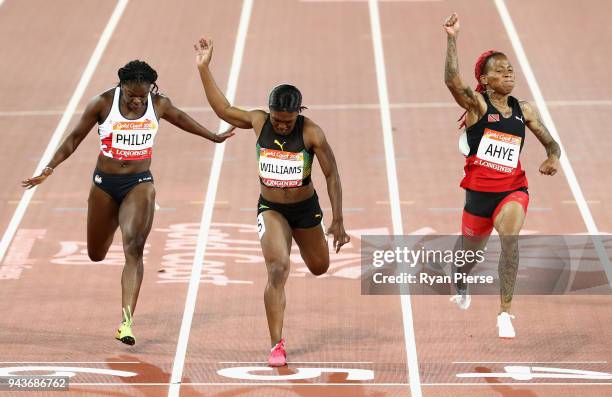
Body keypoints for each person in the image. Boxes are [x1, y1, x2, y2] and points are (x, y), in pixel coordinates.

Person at [22, 60, 234, 345]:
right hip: (104, 185)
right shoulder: (102, 104)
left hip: (139, 184)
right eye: (131, 95)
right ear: (120, 86)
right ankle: (109, 255)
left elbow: (182, 119)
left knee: (134, 246)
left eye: (142, 96)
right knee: (96, 254)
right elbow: (74, 139)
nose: (136, 101)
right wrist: (48, 169)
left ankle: (126, 322)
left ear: (151, 90)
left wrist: (213, 137)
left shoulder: (159, 105)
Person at [194, 37, 350, 366]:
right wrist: (204, 69)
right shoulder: (258, 121)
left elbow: (332, 174)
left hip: (305, 209)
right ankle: (276, 344)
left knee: (320, 267)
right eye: (277, 118)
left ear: (298, 113)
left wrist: (337, 219)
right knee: (278, 269)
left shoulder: (311, 133)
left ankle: (307, 237)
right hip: (272, 208)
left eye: (286, 121)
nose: (280, 124)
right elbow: (223, 109)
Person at [443, 13, 561, 338]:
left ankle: (505, 312)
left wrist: (552, 157)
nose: (508, 72)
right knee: (470, 256)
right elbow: (452, 81)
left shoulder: (525, 109)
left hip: (513, 190)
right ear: (485, 78)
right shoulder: (478, 106)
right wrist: (452, 38)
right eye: (500, 70)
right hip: (478, 197)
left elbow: (552, 144)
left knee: (510, 241)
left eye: (510, 68)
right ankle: (460, 279)